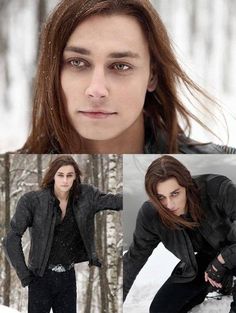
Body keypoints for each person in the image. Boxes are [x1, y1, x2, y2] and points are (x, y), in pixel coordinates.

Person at [19, 0, 235, 154]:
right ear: (54, 72)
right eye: (77, 62)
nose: (96, 90)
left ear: (152, 76)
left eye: (120, 66)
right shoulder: (9, 176)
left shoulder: (223, 171)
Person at [3, 155, 122, 313]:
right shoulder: (33, 201)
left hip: (67, 277)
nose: (65, 180)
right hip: (40, 277)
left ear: (75, 177)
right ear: (53, 175)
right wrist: (25, 276)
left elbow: (115, 201)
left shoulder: (86, 196)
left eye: (69, 175)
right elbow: (11, 239)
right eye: (60, 175)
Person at [123, 155, 236, 313]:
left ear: (187, 184)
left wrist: (223, 260)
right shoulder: (151, 215)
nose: (169, 205)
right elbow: (134, 258)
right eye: (161, 198)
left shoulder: (217, 188)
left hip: (232, 250)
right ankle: (220, 282)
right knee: (160, 310)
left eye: (175, 194)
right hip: (204, 260)